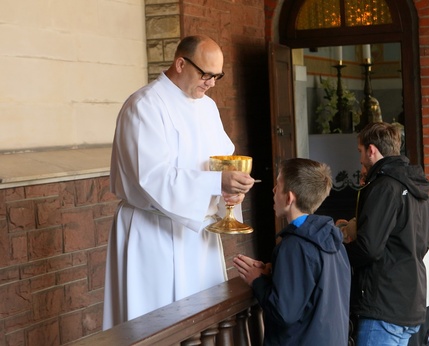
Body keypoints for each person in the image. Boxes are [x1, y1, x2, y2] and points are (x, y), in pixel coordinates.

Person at [102, 35, 255, 329]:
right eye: (205, 74)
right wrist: (216, 183)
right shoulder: (144, 105)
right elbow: (152, 176)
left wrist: (230, 193)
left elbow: (224, 160)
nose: (211, 83)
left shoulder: (207, 108)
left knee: (206, 322)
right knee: (154, 326)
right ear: (180, 63)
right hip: (152, 233)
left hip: (198, 234)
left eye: (217, 76)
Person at [233, 158, 351, 345]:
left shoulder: (295, 245)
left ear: (289, 198)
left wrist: (257, 281)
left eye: (277, 185)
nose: (272, 191)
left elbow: (284, 312)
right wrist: (274, 273)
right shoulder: (332, 238)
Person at [344, 121, 429, 345]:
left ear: (372, 149)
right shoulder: (415, 183)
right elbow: (422, 243)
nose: (360, 159)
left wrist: (337, 254)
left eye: (360, 152)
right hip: (410, 298)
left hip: (384, 303)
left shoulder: (384, 186)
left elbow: (369, 248)